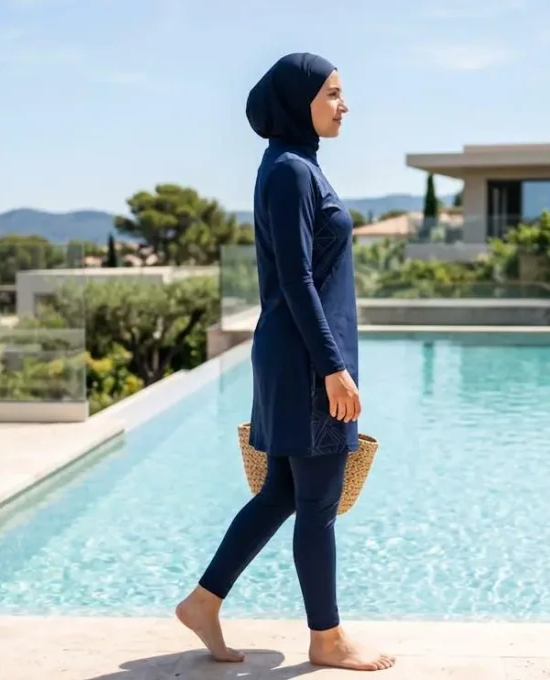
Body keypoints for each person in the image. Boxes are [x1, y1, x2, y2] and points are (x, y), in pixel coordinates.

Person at [174, 52, 395, 672]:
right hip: (305, 362)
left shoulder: (295, 167)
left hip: (297, 355)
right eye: (332, 93)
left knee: (281, 493)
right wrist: (332, 366)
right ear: (300, 101)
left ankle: (202, 601)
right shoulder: (291, 172)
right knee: (318, 501)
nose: (343, 104)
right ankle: (326, 638)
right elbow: (295, 279)